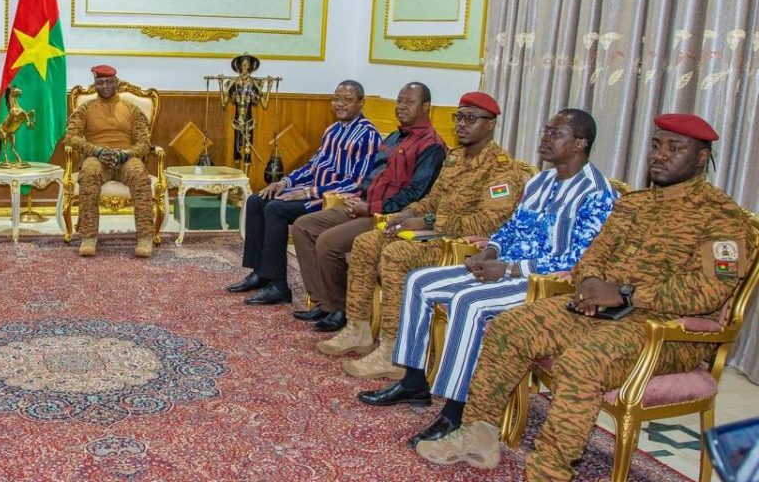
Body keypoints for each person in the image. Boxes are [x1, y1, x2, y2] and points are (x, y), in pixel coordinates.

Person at [416, 114, 751, 481]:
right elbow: (594, 254)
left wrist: (625, 294)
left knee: (582, 362)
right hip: (600, 309)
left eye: (675, 148)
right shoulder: (634, 204)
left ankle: (549, 471)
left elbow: (710, 290)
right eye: (656, 145)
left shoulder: (721, 218)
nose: (660, 155)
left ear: (701, 158)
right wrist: (591, 285)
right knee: (510, 327)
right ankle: (478, 433)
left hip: (663, 329)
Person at [358, 108, 617, 448]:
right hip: (505, 268)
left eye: (556, 133)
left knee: (469, 302)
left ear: (580, 143)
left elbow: (578, 260)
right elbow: (511, 229)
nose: (545, 137)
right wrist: (491, 252)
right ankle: (413, 381)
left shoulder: (597, 193)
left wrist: (509, 269)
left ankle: (456, 410)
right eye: (546, 130)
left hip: (544, 283)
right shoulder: (540, 181)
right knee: (419, 281)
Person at [322, 92, 529, 378]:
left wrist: (430, 220)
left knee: (395, 255)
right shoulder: (455, 158)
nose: (461, 125)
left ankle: (393, 352)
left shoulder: (501, 169)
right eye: (459, 117)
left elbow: (490, 222)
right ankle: (357, 327)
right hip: (430, 234)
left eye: (471, 118)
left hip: (459, 247)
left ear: (490, 124)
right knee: (367, 241)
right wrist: (408, 213)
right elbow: (432, 199)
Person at [289, 82, 447, 331]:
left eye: (409, 102)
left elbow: (416, 194)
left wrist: (370, 207)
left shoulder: (432, 145)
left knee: (328, 242)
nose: (401, 107)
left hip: (387, 216)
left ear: (426, 106)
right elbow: (373, 176)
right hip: (364, 204)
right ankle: (323, 301)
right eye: (399, 101)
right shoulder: (396, 136)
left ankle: (341, 309)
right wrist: (358, 198)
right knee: (303, 226)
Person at [228, 80, 382, 305]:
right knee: (257, 199)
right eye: (336, 99)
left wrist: (309, 192)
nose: (340, 105)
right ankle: (260, 272)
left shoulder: (368, 136)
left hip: (332, 201)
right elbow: (312, 166)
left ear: (361, 102)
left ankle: (279, 285)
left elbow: (356, 183)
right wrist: (285, 182)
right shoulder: (333, 130)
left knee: (276, 209)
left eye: (348, 100)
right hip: (311, 192)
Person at [65, 65, 156, 258]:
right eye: (100, 83)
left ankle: (145, 238)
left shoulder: (132, 109)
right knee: (88, 172)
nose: (104, 86)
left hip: (126, 159)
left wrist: (125, 154)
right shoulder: (85, 109)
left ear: (116, 82)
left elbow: (144, 142)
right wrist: (95, 150)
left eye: (108, 82)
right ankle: (88, 237)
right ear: (95, 84)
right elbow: (71, 137)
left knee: (140, 174)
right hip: (97, 159)